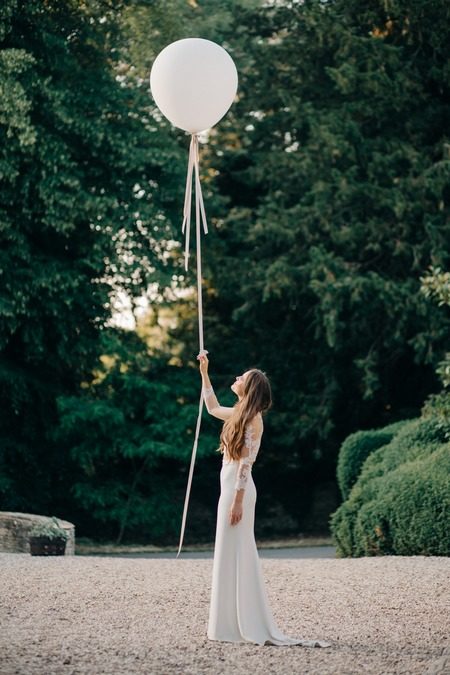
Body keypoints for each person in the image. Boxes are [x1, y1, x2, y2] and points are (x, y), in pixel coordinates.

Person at [198, 352, 332, 647]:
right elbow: (210, 407)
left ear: (250, 387)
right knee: (227, 549)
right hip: (230, 485)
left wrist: (237, 501)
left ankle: (245, 622)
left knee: (239, 550)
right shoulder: (239, 414)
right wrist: (204, 372)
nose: (236, 379)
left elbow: (246, 464)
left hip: (239, 490)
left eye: (241, 378)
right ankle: (227, 624)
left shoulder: (254, 421)